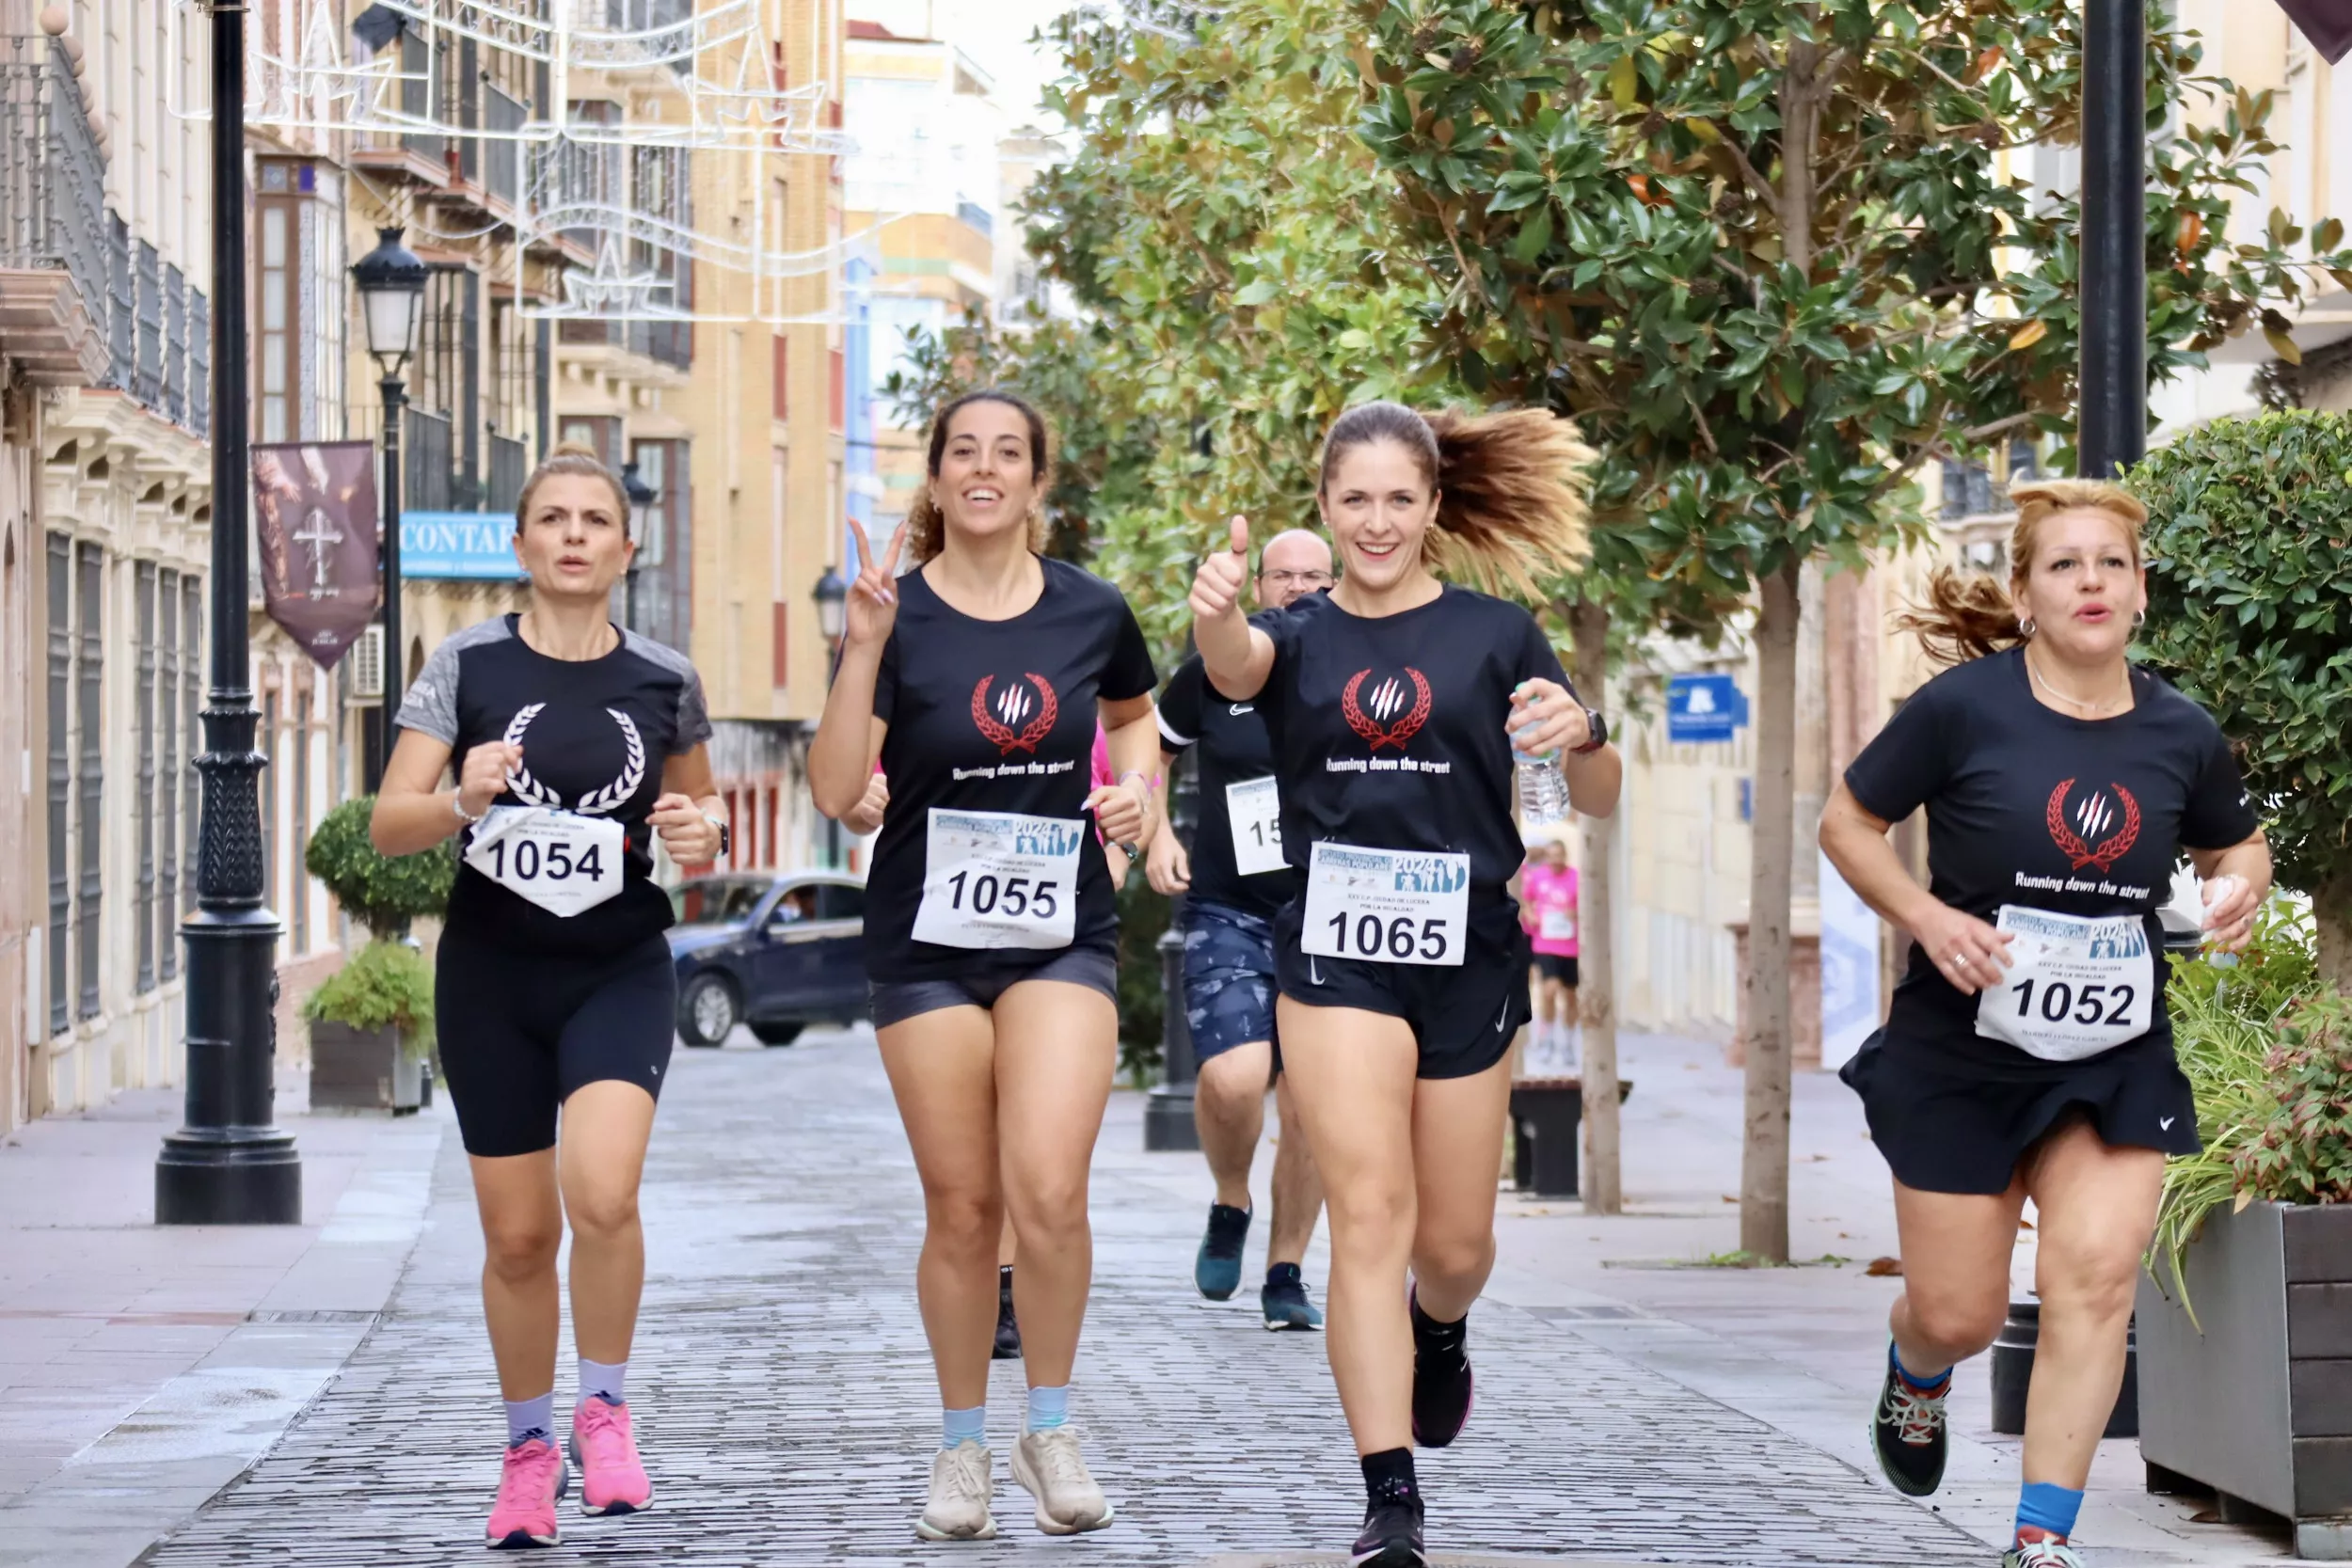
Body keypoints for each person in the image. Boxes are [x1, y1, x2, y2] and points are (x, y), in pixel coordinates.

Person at [1187, 402, 1620, 1568]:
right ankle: (1390, 1499)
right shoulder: (1296, 634)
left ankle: (1441, 1330)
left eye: (1397, 498)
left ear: (1433, 507)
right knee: (1367, 1214)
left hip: (1469, 956)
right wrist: (1217, 613)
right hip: (1332, 954)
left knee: (1456, 1246)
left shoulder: (1497, 633)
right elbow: (1235, 665)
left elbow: (1595, 791)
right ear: (1323, 507)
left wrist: (1584, 729)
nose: (1376, 520)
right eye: (1353, 498)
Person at [1819, 480, 2269, 1568]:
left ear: (2141, 590)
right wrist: (1925, 916)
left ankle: (2040, 1539)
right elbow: (1848, 821)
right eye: (2063, 565)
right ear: (2023, 595)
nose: (2090, 582)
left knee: (2095, 1277)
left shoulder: (2178, 729)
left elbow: (2233, 842)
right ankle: (1918, 1371)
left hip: (2113, 1052)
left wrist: (2239, 884)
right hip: (1962, 1049)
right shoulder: (1961, 709)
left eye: (2110, 562)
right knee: (1960, 1310)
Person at [808, 388, 1157, 1544]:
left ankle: (1048, 1425)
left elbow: (1137, 717)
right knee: (963, 1207)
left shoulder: (1092, 611)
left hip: (1061, 927)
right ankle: (962, 1443)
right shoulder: (890, 613)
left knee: (1049, 1187)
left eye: (1009, 453)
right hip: (925, 940)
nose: (986, 469)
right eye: (965, 451)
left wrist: (1136, 796)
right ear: (940, 475)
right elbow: (830, 782)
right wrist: (860, 648)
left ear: (1037, 481)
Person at [371, 443, 727, 1549]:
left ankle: (605, 1409)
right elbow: (389, 824)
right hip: (491, 974)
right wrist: (459, 798)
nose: (573, 535)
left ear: (627, 548)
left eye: (594, 520)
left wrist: (698, 835)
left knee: (604, 1192)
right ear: (522, 544)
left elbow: (701, 834)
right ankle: (528, 1451)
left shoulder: (665, 680)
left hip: (616, 964)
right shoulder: (467, 666)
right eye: (553, 518)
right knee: (518, 1236)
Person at [1147, 527, 1332, 1329]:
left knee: (1315, 1104)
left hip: (1335, 912)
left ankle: (1286, 1269)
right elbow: (1144, 744)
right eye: (1282, 574)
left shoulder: (1350, 670)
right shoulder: (1218, 673)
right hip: (1231, 906)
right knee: (1230, 1076)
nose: (1296, 587)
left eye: (1313, 575)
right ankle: (1231, 1196)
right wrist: (1156, 829)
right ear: (1258, 583)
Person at [1516, 829, 1580, 1072]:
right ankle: (1547, 1039)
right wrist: (1531, 915)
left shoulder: (1576, 878)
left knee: (1570, 996)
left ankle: (1568, 1043)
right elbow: (1526, 901)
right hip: (1545, 943)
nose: (1555, 859)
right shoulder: (1538, 877)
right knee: (1549, 990)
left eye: (1559, 855)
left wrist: (1574, 914)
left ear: (1565, 856)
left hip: (1570, 946)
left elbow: (1583, 907)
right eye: (1551, 855)